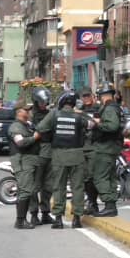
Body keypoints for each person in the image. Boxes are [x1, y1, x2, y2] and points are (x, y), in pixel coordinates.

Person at [36, 92, 90, 229]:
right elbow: (90, 125)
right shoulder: (79, 116)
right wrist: (81, 113)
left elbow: (40, 128)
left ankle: (58, 219)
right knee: (77, 187)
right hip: (77, 155)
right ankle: (77, 218)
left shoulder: (54, 114)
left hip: (59, 155)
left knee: (59, 187)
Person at [90, 83, 123, 217]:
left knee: (100, 177)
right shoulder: (115, 107)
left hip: (105, 147)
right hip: (111, 147)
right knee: (110, 177)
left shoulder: (109, 109)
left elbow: (112, 126)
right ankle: (112, 206)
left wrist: (97, 123)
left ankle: (109, 204)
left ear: (103, 96)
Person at [8, 107, 39, 229]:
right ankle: (20, 221)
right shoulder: (16, 126)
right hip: (22, 161)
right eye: (25, 110)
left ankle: (21, 220)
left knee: (25, 190)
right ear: (18, 113)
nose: (28, 112)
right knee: (25, 191)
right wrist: (35, 137)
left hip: (29, 160)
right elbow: (20, 143)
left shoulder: (27, 125)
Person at [30, 88, 54, 226]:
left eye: (46, 101)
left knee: (48, 185)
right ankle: (34, 214)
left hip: (49, 151)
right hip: (36, 152)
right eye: (42, 102)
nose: (44, 104)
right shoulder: (30, 115)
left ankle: (45, 212)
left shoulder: (50, 114)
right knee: (35, 186)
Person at [78, 88, 100, 215]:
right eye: (83, 96)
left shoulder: (97, 109)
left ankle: (94, 203)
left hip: (94, 145)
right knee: (85, 178)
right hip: (82, 145)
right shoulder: (80, 109)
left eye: (88, 96)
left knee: (92, 176)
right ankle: (91, 202)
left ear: (92, 96)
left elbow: (98, 123)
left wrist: (81, 113)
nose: (86, 98)